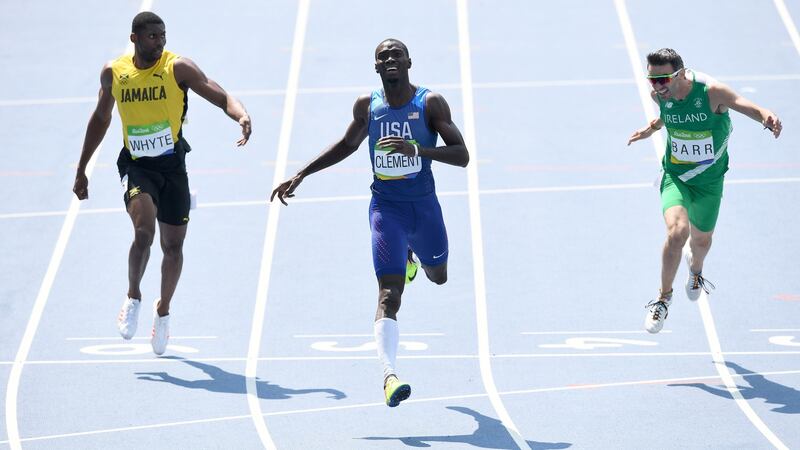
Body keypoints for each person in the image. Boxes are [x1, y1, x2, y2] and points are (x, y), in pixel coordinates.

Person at [271, 38, 469, 407]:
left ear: (409, 61)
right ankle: (389, 375)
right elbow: (347, 144)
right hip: (386, 209)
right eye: (383, 57)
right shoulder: (368, 106)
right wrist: (302, 173)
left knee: (438, 276)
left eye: (396, 54)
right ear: (376, 67)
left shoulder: (429, 103)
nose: (390, 59)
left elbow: (463, 156)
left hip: (424, 208)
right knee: (388, 296)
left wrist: (419, 150)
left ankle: (414, 258)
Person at [72, 12, 251, 355]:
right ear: (135, 38)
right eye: (153, 36)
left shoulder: (177, 68)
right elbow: (100, 118)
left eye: (163, 35)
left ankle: (163, 312)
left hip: (173, 168)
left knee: (174, 247)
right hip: (138, 167)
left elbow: (219, 94)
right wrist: (82, 169)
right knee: (143, 232)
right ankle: (133, 296)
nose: (160, 42)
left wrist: (240, 115)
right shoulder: (115, 73)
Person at [627, 48, 781, 333]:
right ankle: (662, 299)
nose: (658, 87)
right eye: (652, 80)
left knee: (701, 242)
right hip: (677, 176)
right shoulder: (660, 95)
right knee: (677, 232)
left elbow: (743, 104)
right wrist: (652, 128)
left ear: (682, 74)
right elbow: (666, 115)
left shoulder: (712, 93)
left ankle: (696, 270)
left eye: (663, 80)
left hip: (710, 182)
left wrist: (765, 116)